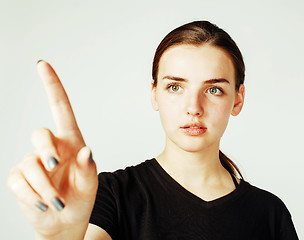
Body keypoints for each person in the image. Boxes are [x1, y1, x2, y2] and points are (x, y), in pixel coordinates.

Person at [7, 21, 298, 240]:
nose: (194, 107)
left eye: (213, 89)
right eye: (175, 87)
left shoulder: (270, 213)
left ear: (238, 98)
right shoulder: (112, 193)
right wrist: (66, 236)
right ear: (154, 94)